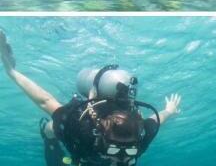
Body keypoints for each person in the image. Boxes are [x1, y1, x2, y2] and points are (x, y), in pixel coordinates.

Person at [0, 31, 181, 165]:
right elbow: (45, 101)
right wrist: (12, 72)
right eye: (115, 148)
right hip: (87, 120)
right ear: (100, 135)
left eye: (129, 149)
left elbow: (155, 120)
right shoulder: (81, 127)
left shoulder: (140, 138)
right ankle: (50, 135)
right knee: (49, 128)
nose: (121, 156)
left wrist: (170, 111)